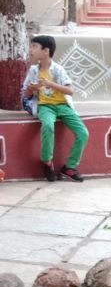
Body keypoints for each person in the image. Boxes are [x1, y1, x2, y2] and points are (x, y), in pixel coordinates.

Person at [22, 35, 88, 182]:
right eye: (31, 46)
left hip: (63, 106)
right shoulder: (33, 70)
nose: (31, 50)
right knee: (47, 126)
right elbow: (26, 94)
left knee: (83, 133)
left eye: (34, 46)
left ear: (46, 51)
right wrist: (33, 88)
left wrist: (50, 84)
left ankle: (69, 167)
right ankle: (47, 163)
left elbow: (70, 90)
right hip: (45, 106)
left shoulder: (58, 69)